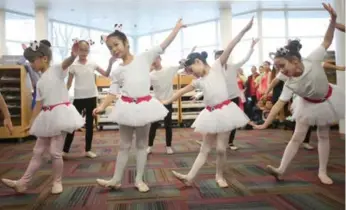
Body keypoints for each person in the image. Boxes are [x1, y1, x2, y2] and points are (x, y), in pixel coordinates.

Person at [254, 3, 344, 185]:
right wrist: (266, 123)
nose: (280, 71)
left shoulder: (313, 59)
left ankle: (322, 171)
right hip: (307, 104)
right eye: (277, 67)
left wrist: (333, 20)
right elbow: (279, 103)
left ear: (295, 61)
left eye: (282, 66)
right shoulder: (290, 82)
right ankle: (280, 169)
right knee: (296, 137)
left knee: (323, 135)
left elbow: (326, 41)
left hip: (328, 100)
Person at [93, 20, 185, 192]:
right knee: (124, 145)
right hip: (126, 108)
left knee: (142, 145)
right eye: (110, 48)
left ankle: (139, 180)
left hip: (144, 107)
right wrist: (102, 107)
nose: (114, 49)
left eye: (116, 45)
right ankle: (116, 179)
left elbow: (163, 45)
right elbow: (113, 92)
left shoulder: (145, 57)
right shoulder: (117, 70)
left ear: (126, 43)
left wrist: (176, 29)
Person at [163, 18, 253, 188]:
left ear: (198, 62)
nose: (192, 75)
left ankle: (219, 176)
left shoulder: (218, 66)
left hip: (226, 112)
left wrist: (244, 31)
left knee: (220, 149)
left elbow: (231, 46)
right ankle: (189, 177)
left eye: (191, 70)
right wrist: (167, 100)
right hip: (210, 114)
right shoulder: (199, 81)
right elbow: (181, 91)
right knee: (204, 149)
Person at [1, 40, 84, 194]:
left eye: (32, 61)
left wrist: (73, 56)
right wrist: (32, 122)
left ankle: (57, 181)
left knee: (55, 152)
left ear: (44, 58)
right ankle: (22, 182)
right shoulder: (39, 82)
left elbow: (66, 63)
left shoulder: (56, 70)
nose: (31, 65)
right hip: (47, 117)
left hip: (61, 116)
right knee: (37, 152)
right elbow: (38, 104)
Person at [193, 38, 259, 150]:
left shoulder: (233, 67)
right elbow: (207, 85)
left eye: (220, 57)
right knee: (212, 120)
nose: (219, 60)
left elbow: (245, 59)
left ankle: (230, 142)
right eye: (216, 59)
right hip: (218, 100)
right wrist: (198, 95)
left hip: (232, 98)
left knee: (231, 121)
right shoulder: (213, 71)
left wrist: (252, 47)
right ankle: (208, 140)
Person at [63, 39, 116, 159]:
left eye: (86, 50)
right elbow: (69, 84)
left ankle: (88, 150)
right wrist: (62, 95)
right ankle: (65, 151)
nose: (84, 52)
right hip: (78, 98)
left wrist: (110, 63)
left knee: (89, 125)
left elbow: (106, 74)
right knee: (72, 125)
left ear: (88, 50)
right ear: (77, 50)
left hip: (91, 97)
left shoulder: (92, 63)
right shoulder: (73, 65)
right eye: (81, 49)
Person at [147, 55, 186, 155]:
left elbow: (181, 66)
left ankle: (168, 146)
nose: (154, 61)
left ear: (160, 59)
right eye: (152, 59)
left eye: (155, 58)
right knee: (154, 125)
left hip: (168, 102)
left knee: (168, 125)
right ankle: (149, 146)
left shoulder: (169, 69)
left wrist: (183, 61)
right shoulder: (150, 75)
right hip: (157, 103)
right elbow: (143, 84)